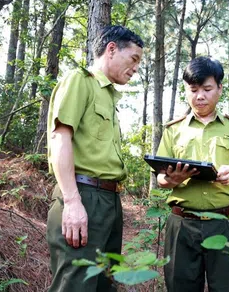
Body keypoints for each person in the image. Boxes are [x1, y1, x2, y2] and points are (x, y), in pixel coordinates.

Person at [46, 25, 144, 292]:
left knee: (105, 284)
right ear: (111, 49)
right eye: (133, 59)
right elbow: (60, 138)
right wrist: (72, 201)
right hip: (83, 195)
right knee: (77, 284)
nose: (135, 68)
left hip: (109, 200)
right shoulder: (80, 81)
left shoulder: (108, 95)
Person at [155, 56, 229, 292]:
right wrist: (171, 179)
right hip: (182, 224)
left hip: (227, 223)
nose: (199, 96)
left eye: (206, 89)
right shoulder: (174, 130)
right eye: (193, 90)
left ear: (220, 89)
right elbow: (160, 177)